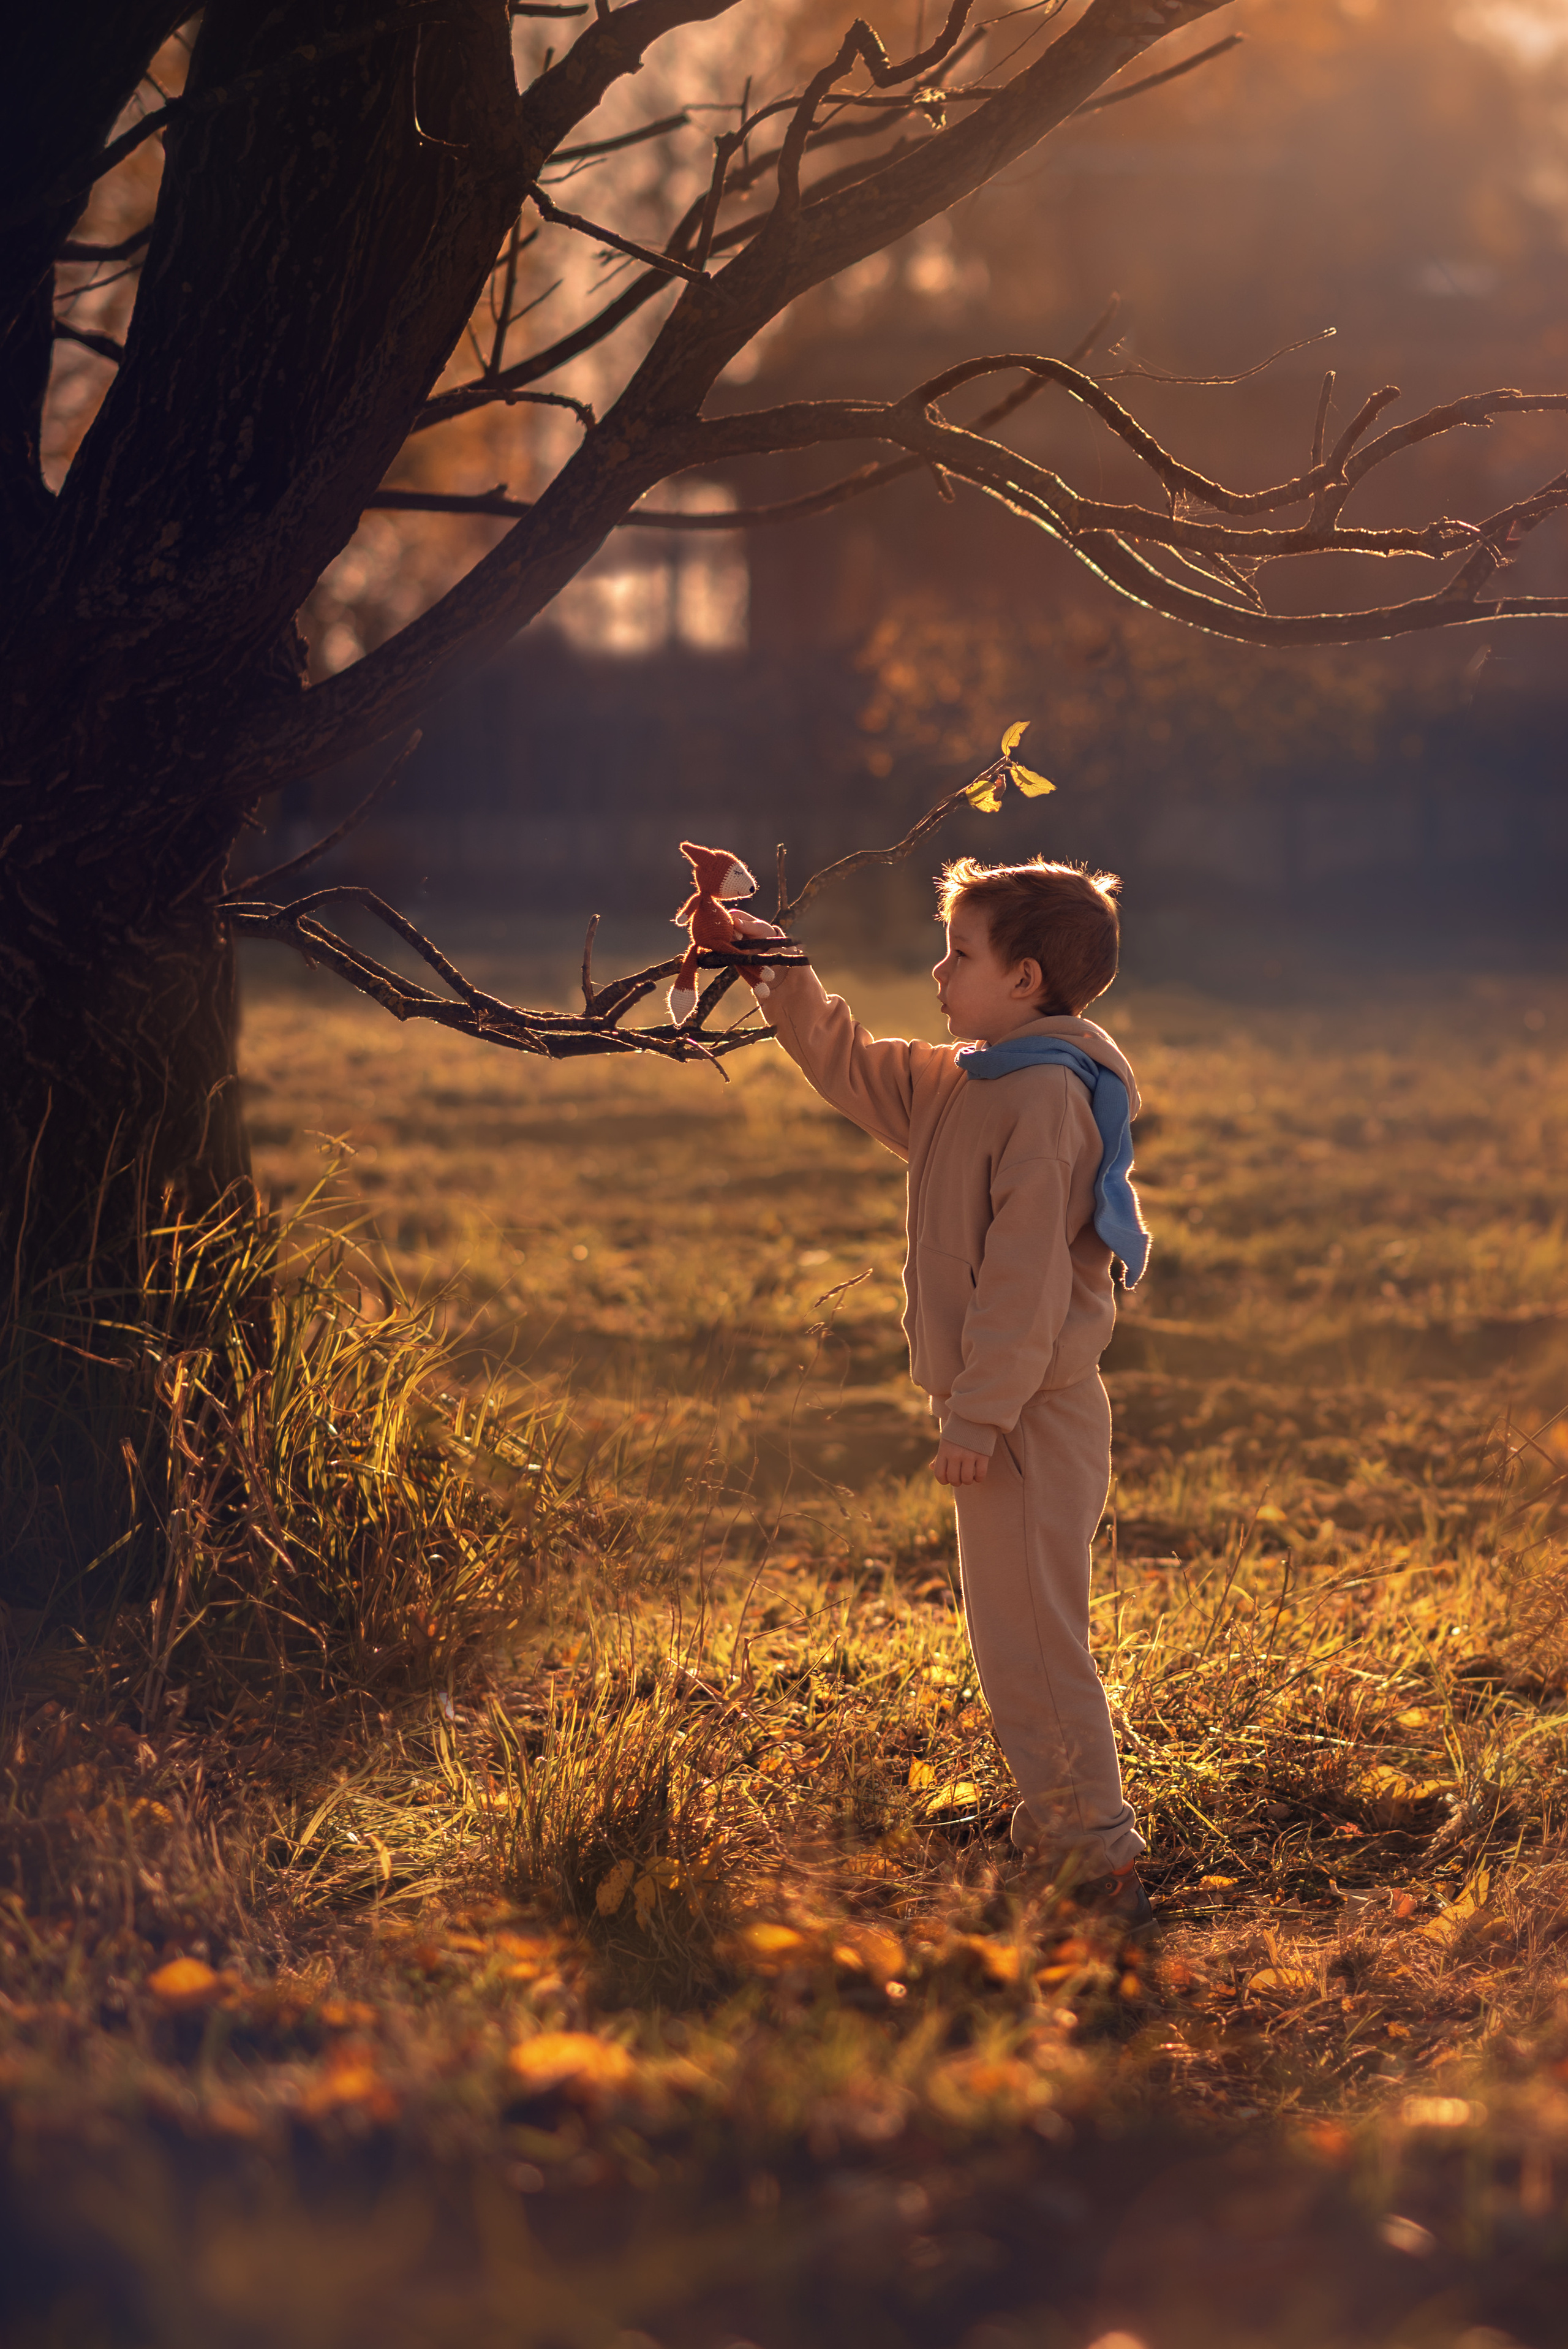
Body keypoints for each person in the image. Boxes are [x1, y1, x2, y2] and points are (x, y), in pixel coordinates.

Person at [731, 857, 1153, 1928]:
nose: (938, 968)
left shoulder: (1048, 1098)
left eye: (959, 953)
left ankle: (1095, 1857)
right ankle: (1056, 1817)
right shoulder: (965, 1075)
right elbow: (847, 1060)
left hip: (1027, 1414)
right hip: (999, 1406)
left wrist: (977, 1414)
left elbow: (1023, 1283)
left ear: (1025, 978)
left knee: (1034, 1635)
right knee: (1007, 1628)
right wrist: (765, 953)